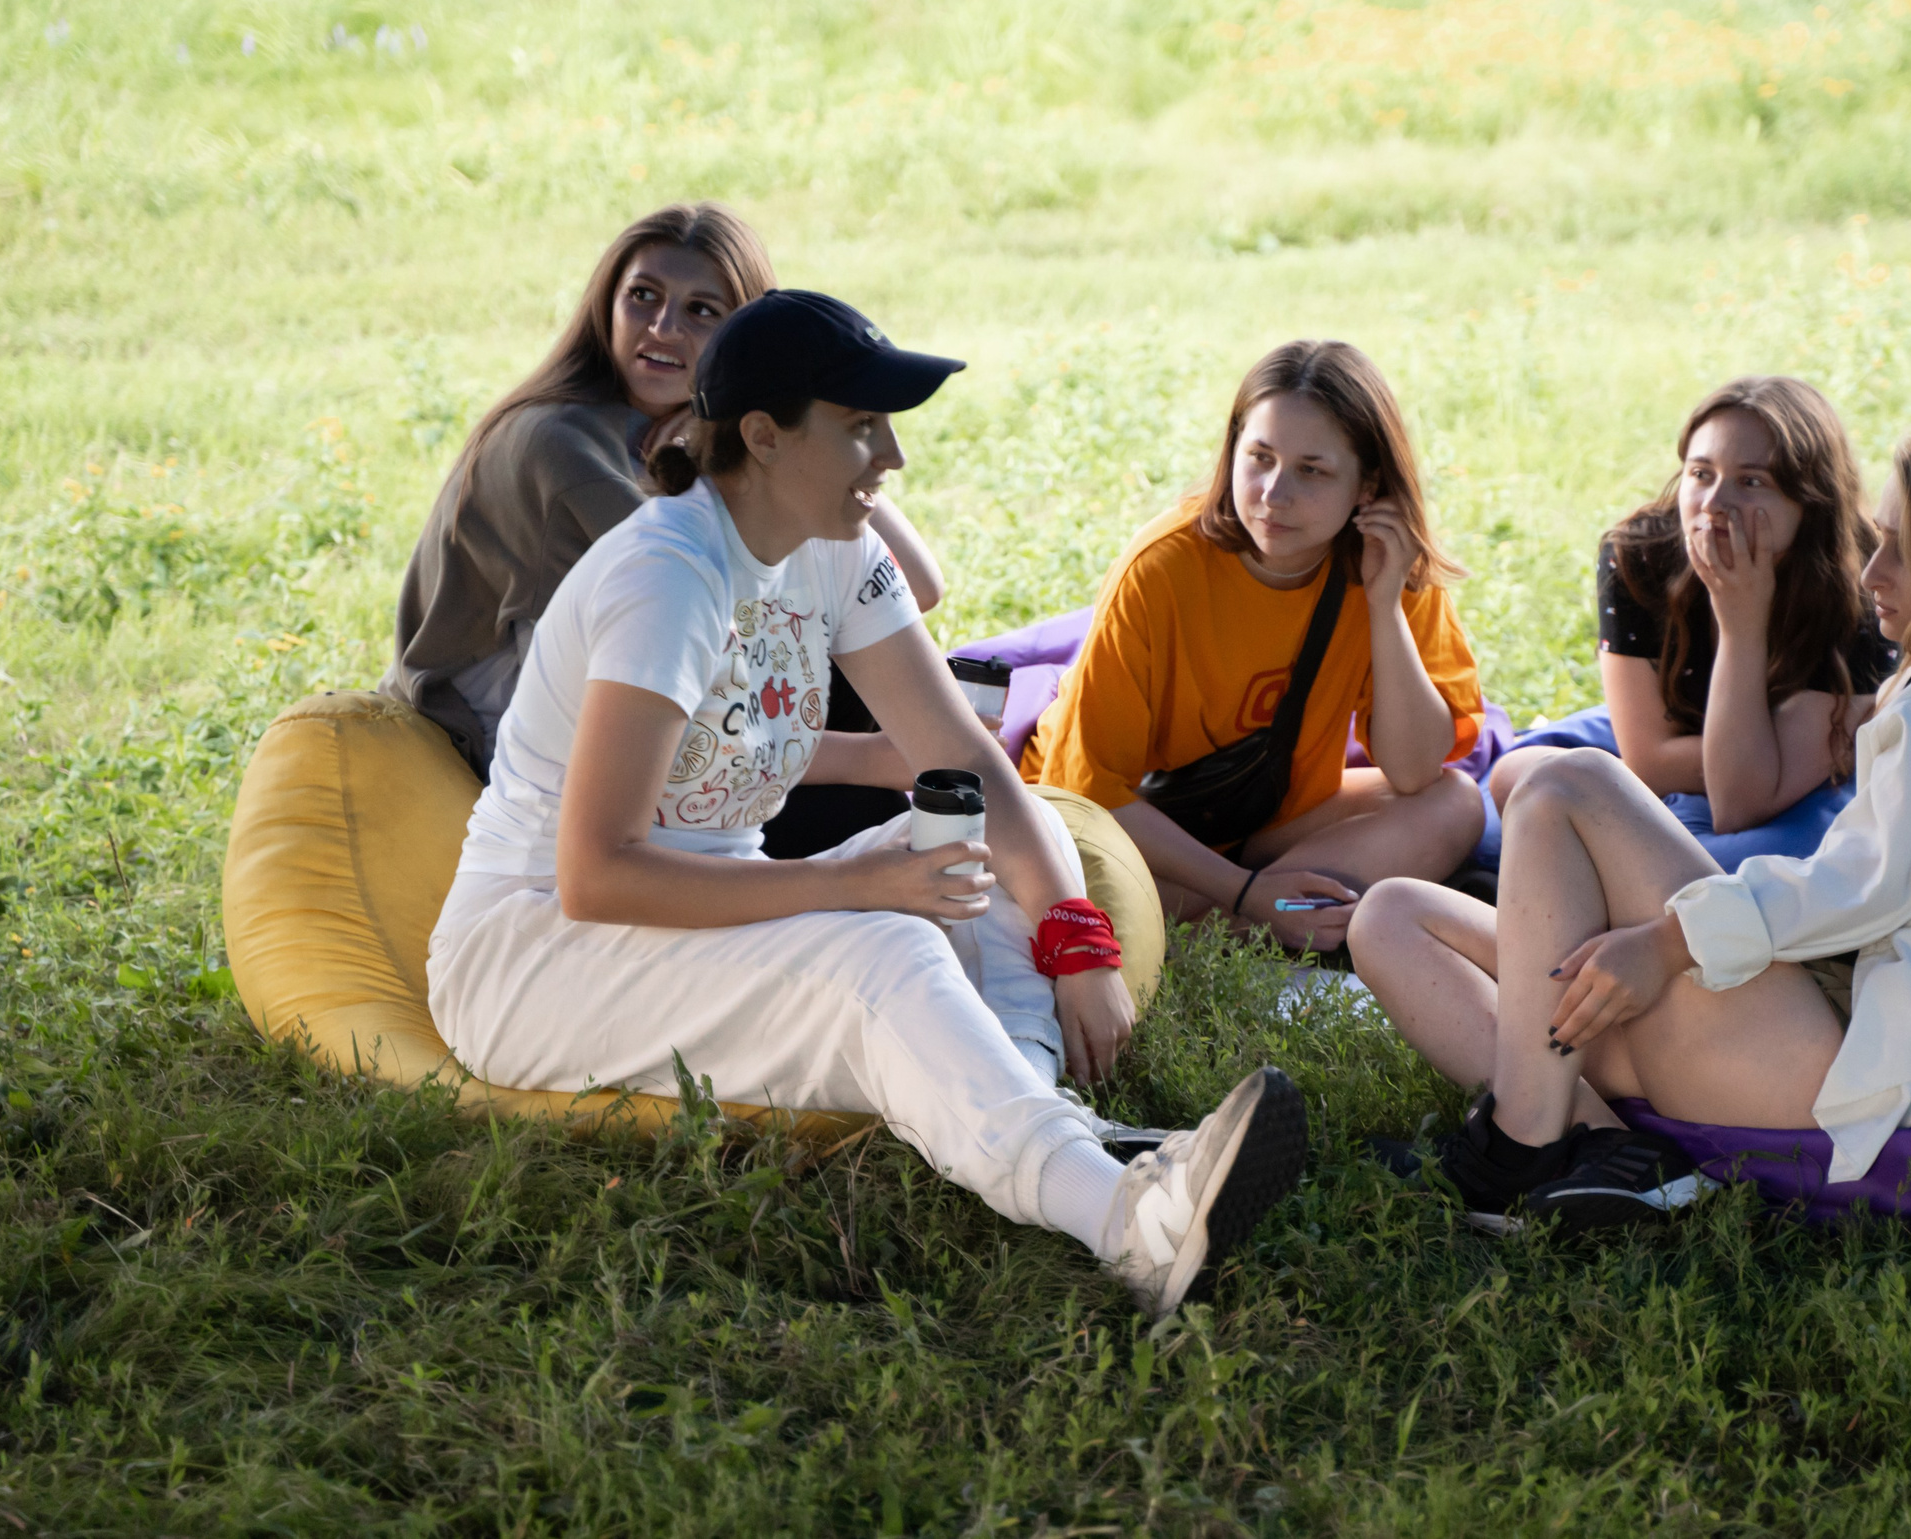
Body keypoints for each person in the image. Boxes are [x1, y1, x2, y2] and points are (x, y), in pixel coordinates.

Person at [424, 289, 1306, 1316]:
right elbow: (598, 874)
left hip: (701, 903)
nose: (890, 459)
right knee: (881, 947)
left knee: (968, 861)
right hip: (535, 955)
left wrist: (1077, 938)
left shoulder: (836, 550)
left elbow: (963, 760)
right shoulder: (666, 579)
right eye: (858, 428)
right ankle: (1129, 1225)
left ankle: (1044, 1131)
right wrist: (849, 882)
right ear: (762, 436)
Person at [1350, 414, 1911, 1231]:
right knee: (1390, 917)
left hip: (1846, 1046)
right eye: (1878, 540)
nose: (1874, 569)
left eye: (1902, 547)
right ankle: (1616, 1156)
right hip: (1799, 1024)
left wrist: (1666, 942)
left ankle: (1517, 1152)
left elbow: (1874, 880)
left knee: (1571, 783)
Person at [383, 202, 950, 797]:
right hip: (507, 751)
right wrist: (874, 758)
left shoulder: (692, 429)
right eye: (643, 297)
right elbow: (716, 643)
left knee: (850, 655)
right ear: (606, 303)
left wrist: (795, 419)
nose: (661, 329)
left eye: (701, 311)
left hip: (646, 718)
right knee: (830, 668)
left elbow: (914, 588)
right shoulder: (559, 446)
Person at [1019, 341, 1488, 955]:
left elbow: (1417, 769)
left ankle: (1235, 926)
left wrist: (1382, 603)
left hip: (1266, 827)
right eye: (1259, 457)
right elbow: (1090, 796)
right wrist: (1244, 893)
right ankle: (1261, 923)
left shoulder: (1385, 567)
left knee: (1455, 803)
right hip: (1134, 832)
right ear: (1232, 450)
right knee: (1083, 878)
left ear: (1368, 484)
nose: (1273, 493)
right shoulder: (1163, 567)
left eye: (1311, 470)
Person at [1479, 377, 1897, 873]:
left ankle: (1600, 873)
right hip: (1686, 734)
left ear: (1809, 500)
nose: (1714, 504)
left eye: (1752, 481)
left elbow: (1741, 803)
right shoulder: (1640, 554)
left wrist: (1742, 623)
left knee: (1775, 861)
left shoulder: (1860, 584)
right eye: (1701, 473)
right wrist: (1737, 769)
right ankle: (1633, 869)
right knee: (1516, 775)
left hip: (1803, 783)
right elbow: (1648, 759)